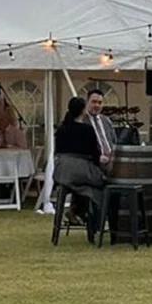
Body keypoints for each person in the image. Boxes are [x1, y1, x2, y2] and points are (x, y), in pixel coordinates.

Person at [52, 97, 106, 242]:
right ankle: (93, 218)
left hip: (62, 172)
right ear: (83, 110)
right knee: (101, 183)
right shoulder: (87, 130)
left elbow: (57, 151)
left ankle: (76, 209)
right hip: (80, 170)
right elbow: (95, 155)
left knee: (79, 184)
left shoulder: (61, 130)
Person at [85, 89, 116, 171]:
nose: (97, 105)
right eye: (94, 102)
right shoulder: (82, 121)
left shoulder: (106, 121)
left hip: (112, 163)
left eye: (100, 102)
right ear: (87, 102)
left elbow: (114, 141)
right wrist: (97, 157)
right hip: (93, 165)